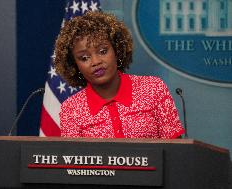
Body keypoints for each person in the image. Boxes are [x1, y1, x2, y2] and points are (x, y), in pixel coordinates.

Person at [53, 11, 185, 138]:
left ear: (117, 49)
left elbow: (176, 152)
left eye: (103, 51)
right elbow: (73, 159)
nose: (96, 62)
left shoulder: (153, 88)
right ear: (74, 65)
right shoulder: (72, 109)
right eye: (84, 58)